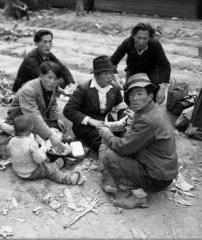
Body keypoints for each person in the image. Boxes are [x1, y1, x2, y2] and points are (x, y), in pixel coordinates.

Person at [98, 73, 178, 209]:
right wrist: (135, 118)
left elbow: (124, 148)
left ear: (150, 96)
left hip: (156, 179)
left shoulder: (146, 120)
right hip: (163, 172)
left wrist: (107, 134)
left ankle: (139, 196)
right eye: (131, 94)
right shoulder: (152, 111)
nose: (134, 98)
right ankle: (111, 176)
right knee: (109, 147)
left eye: (140, 93)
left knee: (108, 154)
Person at [63, 55, 127, 151]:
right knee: (104, 141)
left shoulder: (114, 88)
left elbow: (120, 107)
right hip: (86, 127)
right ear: (96, 75)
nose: (110, 76)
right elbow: (68, 110)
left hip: (107, 123)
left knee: (125, 136)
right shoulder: (83, 88)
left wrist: (121, 122)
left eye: (111, 72)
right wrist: (91, 121)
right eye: (105, 73)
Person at [7, 61, 67, 154]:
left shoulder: (52, 86)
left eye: (56, 78)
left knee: (61, 128)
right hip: (20, 119)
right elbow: (33, 115)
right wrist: (51, 137)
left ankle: (44, 137)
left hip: (38, 115)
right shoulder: (28, 90)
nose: (52, 82)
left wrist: (56, 119)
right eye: (49, 77)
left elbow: (53, 102)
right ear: (41, 76)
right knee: (29, 145)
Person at [7, 115, 85, 185]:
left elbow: (13, 152)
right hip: (30, 172)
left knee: (46, 165)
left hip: (17, 169)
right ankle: (71, 179)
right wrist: (43, 151)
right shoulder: (31, 144)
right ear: (31, 127)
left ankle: (55, 165)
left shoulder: (12, 140)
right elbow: (39, 160)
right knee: (50, 172)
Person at [110, 23, 171, 105]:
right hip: (133, 71)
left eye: (145, 38)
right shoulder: (127, 43)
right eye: (139, 38)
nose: (141, 42)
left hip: (151, 72)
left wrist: (163, 88)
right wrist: (115, 77)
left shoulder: (155, 45)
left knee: (152, 96)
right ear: (133, 36)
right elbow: (113, 60)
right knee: (128, 97)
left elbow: (164, 65)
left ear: (150, 38)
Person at [12, 30, 75, 96]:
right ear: (36, 43)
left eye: (50, 41)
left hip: (38, 85)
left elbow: (62, 68)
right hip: (24, 88)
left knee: (61, 77)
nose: (48, 45)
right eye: (44, 42)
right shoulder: (31, 59)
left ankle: (50, 99)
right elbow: (42, 79)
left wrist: (71, 86)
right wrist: (63, 92)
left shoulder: (47, 54)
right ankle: (46, 99)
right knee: (48, 80)